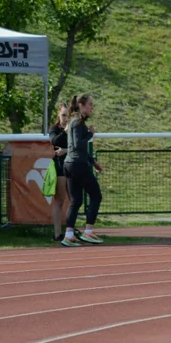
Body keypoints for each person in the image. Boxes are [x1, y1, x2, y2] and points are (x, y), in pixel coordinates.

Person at [60, 95, 103, 246]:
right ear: (81, 105)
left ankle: (69, 235)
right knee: (96, 195)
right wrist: (91, 134)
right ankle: (88, 231)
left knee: (76, 200)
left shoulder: (76, 121)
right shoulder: (78, 122)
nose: (92, 107)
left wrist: (93, 161)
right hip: (77, 165)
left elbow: (76, 147)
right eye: (90, 104)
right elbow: (78, 145)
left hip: (70, 164)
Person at [49, 103, 70, 243]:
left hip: (74, 165)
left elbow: (79, 146)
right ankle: (57, 234)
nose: (65, 118)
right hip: (60, 166)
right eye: (63, 115)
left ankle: (71, 231)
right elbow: (55, 141)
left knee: (75, 199)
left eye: (67, 115)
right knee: (60, 200)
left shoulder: (74, 128)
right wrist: (65, 131)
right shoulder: (54, 129)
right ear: (58, 114)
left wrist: (66, 150)